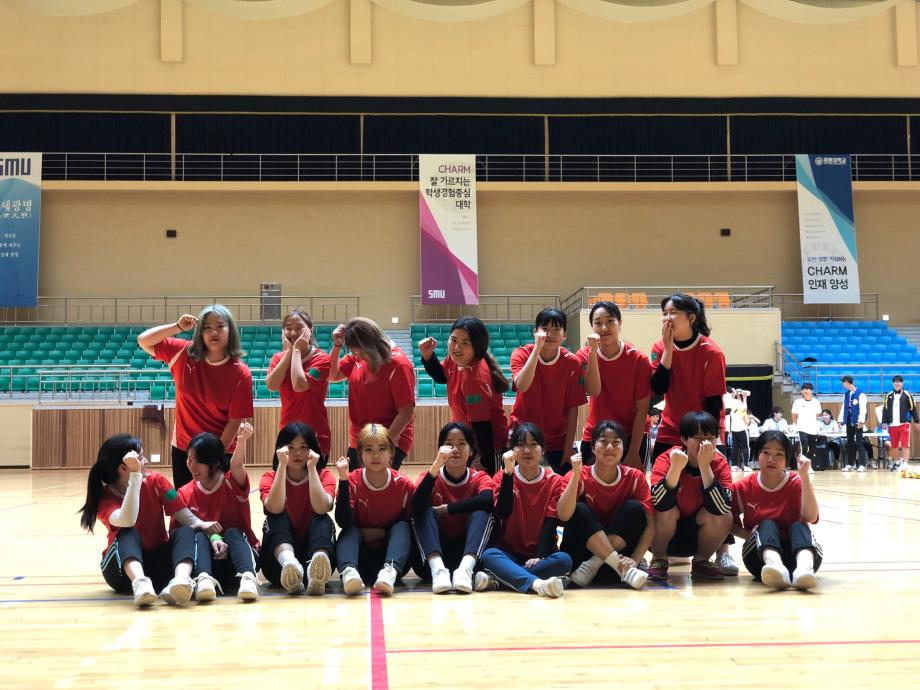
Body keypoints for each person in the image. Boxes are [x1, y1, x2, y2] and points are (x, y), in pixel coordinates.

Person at [79, 434, 219, 606]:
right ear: (124, 467)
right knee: (127, 531)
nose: (145, 461)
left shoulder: (156, 481)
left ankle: (180, 581)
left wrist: (203, 524)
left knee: (186, 530)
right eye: (140, 458)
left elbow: (182, 514)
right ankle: (140, 583)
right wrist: (135, 476)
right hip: (122, 573)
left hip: (157, 566)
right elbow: (127, 519)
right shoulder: (105, 497)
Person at [137, 305, 253, 489]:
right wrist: (177, 327)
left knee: (217, 504)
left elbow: (234, 421)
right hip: (184, 449)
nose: (213, 332)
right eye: (207, 327)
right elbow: (143, 340)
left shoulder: (241, 373)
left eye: (220, 326)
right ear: (200, 332)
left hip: (220, 451)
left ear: (230, 330)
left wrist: (214, 455)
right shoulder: (182, 353)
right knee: (185, 504)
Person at [479, 423, 573, 597]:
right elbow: (502, 512)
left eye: (533, 445)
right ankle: (537, 584)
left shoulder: (555, 481)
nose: (527, 451)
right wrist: (508, 473)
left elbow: (551, 520)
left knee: (565, 560)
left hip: (543, 556)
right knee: (489, 555)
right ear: (512, 450)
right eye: (521, 445)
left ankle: (504, 578)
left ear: (543, 450)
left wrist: (540, 556)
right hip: (509, 554)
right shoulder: (501, 477)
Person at [556, 421, 652, 589]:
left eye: (616, 442)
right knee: (579, 509)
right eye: (603, 441)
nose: (609, 447)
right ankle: (622, 569)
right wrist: (576, 474)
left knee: (635, 509)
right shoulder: (578, 474)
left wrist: (635, 560)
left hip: (597, 568)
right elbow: (563, 515)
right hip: (581, 558)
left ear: (623, 448)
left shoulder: (635, 477)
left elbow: (650, 524)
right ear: (593, 447)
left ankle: (596, 564)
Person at [173, 425, 261, 601]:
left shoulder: (232, 483)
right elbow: (179, 536)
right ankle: (203, 581)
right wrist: (213, 537)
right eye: (189, 459)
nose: (192, 466)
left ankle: (248, 578)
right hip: (207, 563)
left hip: (239, 558)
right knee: (198, 536)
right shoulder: (184, 493)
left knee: (233, 532)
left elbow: (237, 465)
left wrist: (242, 440)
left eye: (198, 461)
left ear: (215, 463)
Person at [647, 411, 734, 581]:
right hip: (664, 535)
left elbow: (723, 507)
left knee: (725, 516)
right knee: (662, 511)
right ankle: (659, 559)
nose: (705, 444)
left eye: (710, 438)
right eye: (699, 438)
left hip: (700, 536)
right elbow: (658, 502)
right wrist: (675, 469)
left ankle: (701, 561)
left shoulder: (720, 464)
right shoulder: (667, 459)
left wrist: (704, 467)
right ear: (684, 439)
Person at [731, 431, 822, 590]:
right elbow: (728, 523)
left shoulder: (797, 482)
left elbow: (811, 517)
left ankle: (805, 568)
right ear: (757, 455)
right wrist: (753, 534)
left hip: (797, 555)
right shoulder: (743, 487)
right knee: (766, 524)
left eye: (779, 454)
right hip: (760, 560)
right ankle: (774, 564)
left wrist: (805, 477)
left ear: (787, 458)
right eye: (766, 453)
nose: (771, 459)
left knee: (800, 526)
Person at [418, 317, 509, 474]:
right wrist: (428, 357)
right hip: (468, 440)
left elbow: (482, 427)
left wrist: (483, 460)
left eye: (465, 343)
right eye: (453, 340)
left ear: (477, 347)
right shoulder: (457, 359)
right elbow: (442, 376)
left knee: (487, 485)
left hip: (487, 444)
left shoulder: (474, 380)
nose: (457, 347)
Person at [411, 422, 494, 594]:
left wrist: (447, 509)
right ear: (440, 449)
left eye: (462, 443)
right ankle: (439, 570)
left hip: (469, 557)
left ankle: (464, 570)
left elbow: (488, 500)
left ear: (471, 451)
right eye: (449, 444)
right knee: (423, 510)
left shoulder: (479, 477)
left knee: (482, 512)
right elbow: (416, 505)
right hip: (432, 559)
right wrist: (436, 466)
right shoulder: (429, 475)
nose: (455, 449)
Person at [334, 423, 414, 596]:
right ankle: (348, 573)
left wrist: (381, 533)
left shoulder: (404, 485)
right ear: (360, 454)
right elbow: (343, 521)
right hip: (360, 560)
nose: (375, 455)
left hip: (392, 559)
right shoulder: (351, 481)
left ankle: (389, 573)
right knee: (349, 531)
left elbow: (409, 527)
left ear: (391, 452)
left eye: (382, 449)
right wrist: (343, 480)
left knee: (402, 527)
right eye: (369, 449)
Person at [259, 423, 336, 595]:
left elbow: (322, 507)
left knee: (322, 519)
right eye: (291, 447)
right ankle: (290, 563)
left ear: (312, 449)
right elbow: (275, 508)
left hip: (314, 555)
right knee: (276, 518)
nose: (298, 453)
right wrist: (281, 466)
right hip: (278, 565)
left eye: (304, 447)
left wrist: (312, 469)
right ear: (281, 449)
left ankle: (317, 564)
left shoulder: (325, 476)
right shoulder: (269, 477)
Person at [330, 318, 415, 471]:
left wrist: (383, 444)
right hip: (360, 437)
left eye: (360, 352)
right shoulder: (358, 356)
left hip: (389, 437)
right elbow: (333, 375)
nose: (359, 356)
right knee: (354, 483)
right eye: (355, 352)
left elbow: (406, 411)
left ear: (371, 344)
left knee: (375, 484)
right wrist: (337, 345)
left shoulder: (399, 364)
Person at [576, 301, 652, 470]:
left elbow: (642, 409)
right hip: (596, 432)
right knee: (590, 484)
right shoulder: (584, 355)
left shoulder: (638, 359)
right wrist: (593, 352)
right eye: (598, 323)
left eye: (610, 321)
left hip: (632, 434)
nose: (604, 328)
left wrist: (633, 452)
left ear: (620, 323)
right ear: (592, 327)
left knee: (631, 484)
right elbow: (592, 390)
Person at [650, 294, 726, 461]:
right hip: (670, 430)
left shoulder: (711, 352)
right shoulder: (659, 347)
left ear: (691, 318)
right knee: (662, 475)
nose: (667, 318)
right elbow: (658, 388)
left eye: (673, 312)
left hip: (703, 431)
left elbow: (714, 402)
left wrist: (710, 439)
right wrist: (668, 349)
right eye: (664, 313)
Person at [510, 308, 586, 475]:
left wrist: (568, 447)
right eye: (545, 329)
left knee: (574, 480)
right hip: (523, 435)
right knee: (512, 481)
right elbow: (522, 385)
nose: (550, 334)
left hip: (558, 440)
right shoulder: (521, 354)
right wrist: (537, 349)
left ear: (565, 335)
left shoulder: (573, 362)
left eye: (557, 329)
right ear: (535, 332)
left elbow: (573, 408)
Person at [265, 310, 331, 461]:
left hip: (315, 435)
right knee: (283, 476)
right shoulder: (278, 358)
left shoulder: (321, 359)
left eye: (299, 327)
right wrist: (289, 353)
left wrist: (295, 351)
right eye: (288, 328)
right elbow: (271, 385)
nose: (293, 333)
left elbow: (299, 385)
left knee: (313, 476)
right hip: (287, 434)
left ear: (310, 330)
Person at [881, 375, 919, 471]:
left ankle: (905, 464)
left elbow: (913, 409)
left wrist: (917, 421)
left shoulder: (907, 395)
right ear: (893, 383)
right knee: (894, 445)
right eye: (895, 382)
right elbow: (885, 409)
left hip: (904, 424)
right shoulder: (888, 395)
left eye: (899, 382)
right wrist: (884, 422)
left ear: (902, 383)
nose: (897, 383)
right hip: (892, 424)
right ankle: (896, 463)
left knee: (905, 444)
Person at [838, 375, 868, 472]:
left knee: (859, 443)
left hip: (857, 421)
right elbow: (844, 407)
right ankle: (850, 464)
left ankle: (862, 465)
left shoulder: (861, 394)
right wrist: (840, 420)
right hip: (848, 421)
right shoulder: (846, 394)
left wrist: (861, 421)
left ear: (847, 382)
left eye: (843, 383)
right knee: (849, 443)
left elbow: (863, 409)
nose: (843, 385)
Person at [791, 383, 822, 461]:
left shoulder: (816, 402)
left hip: (813, 429)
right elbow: (794, 415)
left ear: (811, 391)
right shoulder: (797, 402)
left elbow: (817, 415)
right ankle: (803, 464)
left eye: (807, 389)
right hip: (802, 428)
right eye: (804, 389)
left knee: (812, 449)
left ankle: (810, 464)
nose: (805, 391)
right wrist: (795, 424)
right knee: (804, 447)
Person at [726, 389, 751, 472]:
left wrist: (741, 396)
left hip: (734, 428)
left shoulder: (729, 402)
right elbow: (744, 410)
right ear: (732, 393)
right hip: (742, 428)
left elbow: (741, 409)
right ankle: (746, 465)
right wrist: (745, 397)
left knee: (735, 447)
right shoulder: (736, 402)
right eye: (734, 391)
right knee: (745, 447)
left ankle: (734, 465)